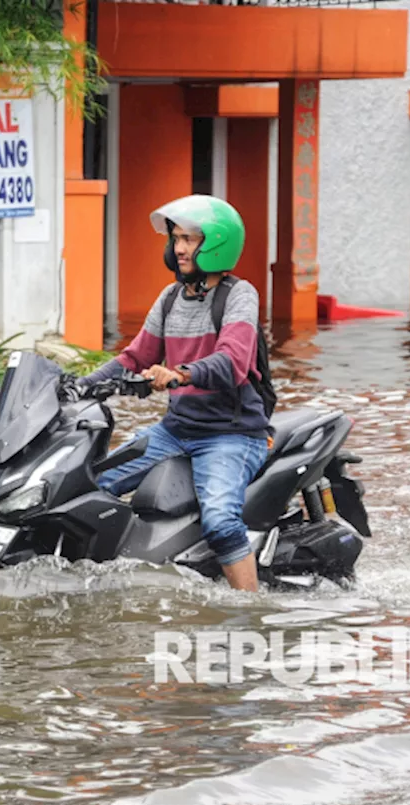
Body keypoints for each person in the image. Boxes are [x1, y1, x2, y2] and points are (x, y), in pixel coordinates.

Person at [80, 194, 270, 592]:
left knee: (220, 520)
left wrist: (179, 375)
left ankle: (251, 609)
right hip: (176, 430)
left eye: (189, 239)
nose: (179, 248)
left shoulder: (239, 296)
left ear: (216, 243)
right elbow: (135, 357)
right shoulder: (169, 299)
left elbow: (233, 361)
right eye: (177, 239)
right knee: (91, 487)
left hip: (231, 435)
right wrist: (81, 387)